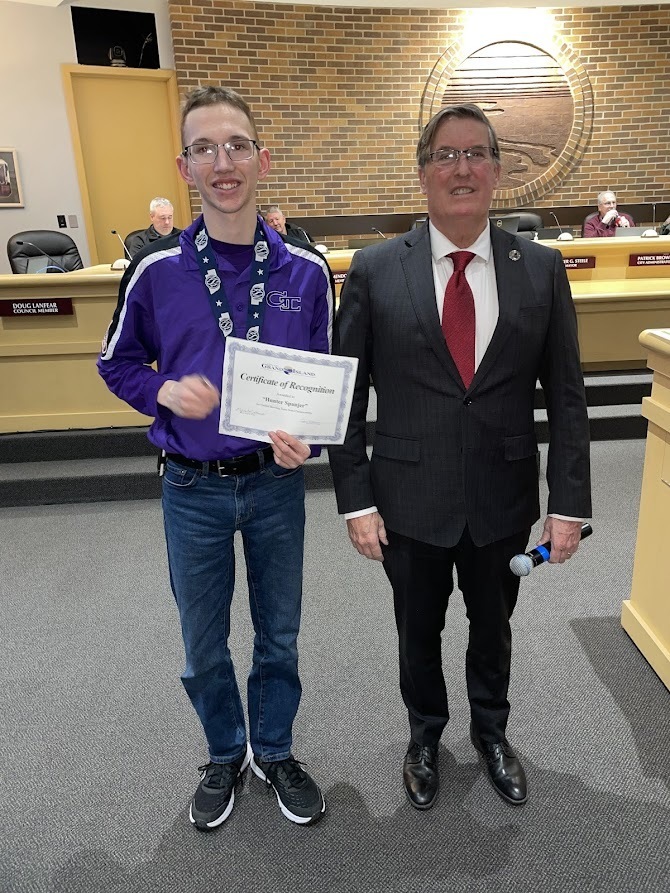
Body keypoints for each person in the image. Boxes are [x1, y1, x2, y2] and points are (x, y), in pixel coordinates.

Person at [328, 104, 591, 811]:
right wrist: (355, 498)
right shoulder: (377, 270)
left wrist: (568, 506)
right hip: (407, 497)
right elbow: (346, 397)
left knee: (494, 626)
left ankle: (492, 732)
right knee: (417, 629)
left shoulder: (538, 268)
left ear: (499, 172)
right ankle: (424, 734)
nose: (462, 167)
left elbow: (567, 395)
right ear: (422, 174)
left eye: (477, 154)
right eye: (445, 155)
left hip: (503, 496)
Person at [98, 86, 333, 830]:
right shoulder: (156, 268)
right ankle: (225, 751)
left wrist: (310, 440)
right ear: (185, 165)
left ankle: (274, 746)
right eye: (205, 148)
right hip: (191, 489)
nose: (222, 162)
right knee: (202, 643)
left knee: (280, 633)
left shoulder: (305, 270)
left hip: (274, 486)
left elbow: (323, 379)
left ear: (262, 158)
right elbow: (116, 362)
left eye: (236, 145)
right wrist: (164, 391)